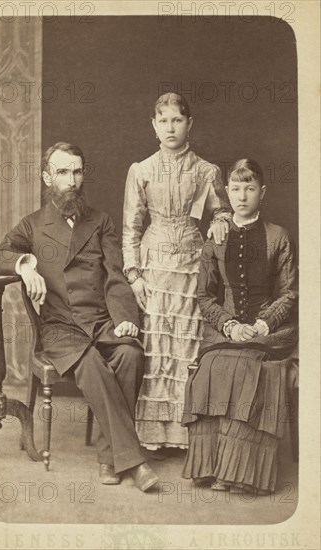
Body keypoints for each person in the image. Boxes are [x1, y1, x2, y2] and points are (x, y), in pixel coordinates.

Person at [0, 141, 159, 492]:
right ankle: (134, 461)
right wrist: (23, 263)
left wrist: (125, 316)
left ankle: (110, 457)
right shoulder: (32, 226)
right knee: (90, 363)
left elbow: (116, 275)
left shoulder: (101, 221)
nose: (71, 180)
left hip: (101, 321)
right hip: (61, 329)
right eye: (62, 172)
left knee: (131, 353)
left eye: (76, 171)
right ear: (47, 177)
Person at [122, 93, 232, 452]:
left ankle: (186, 435)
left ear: (189, 124)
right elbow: (131, 228)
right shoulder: (141, 170)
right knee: (156, 345)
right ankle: (153, 435)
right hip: (153, 265)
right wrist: (134, 273)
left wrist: (219, 221)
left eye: (177, 120)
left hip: (190, 263)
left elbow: (223, 210)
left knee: (186, 345)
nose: (171, 127)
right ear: (153, 126)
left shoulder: (206, 170)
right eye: (163, 121)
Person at [181, 158, 298, 494]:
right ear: (227, 192)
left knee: (251, 366)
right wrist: (230, 326)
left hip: (268, 332)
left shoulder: (278, 236)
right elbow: (204, 296)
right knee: (212, 366)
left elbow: (290, 293)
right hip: (225, 331)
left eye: (249, 188)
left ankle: (242, 474)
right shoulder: (216, 237)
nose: (242, 195)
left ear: (262, 192)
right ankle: (216, 468)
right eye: (235, 188)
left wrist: (263, 323)